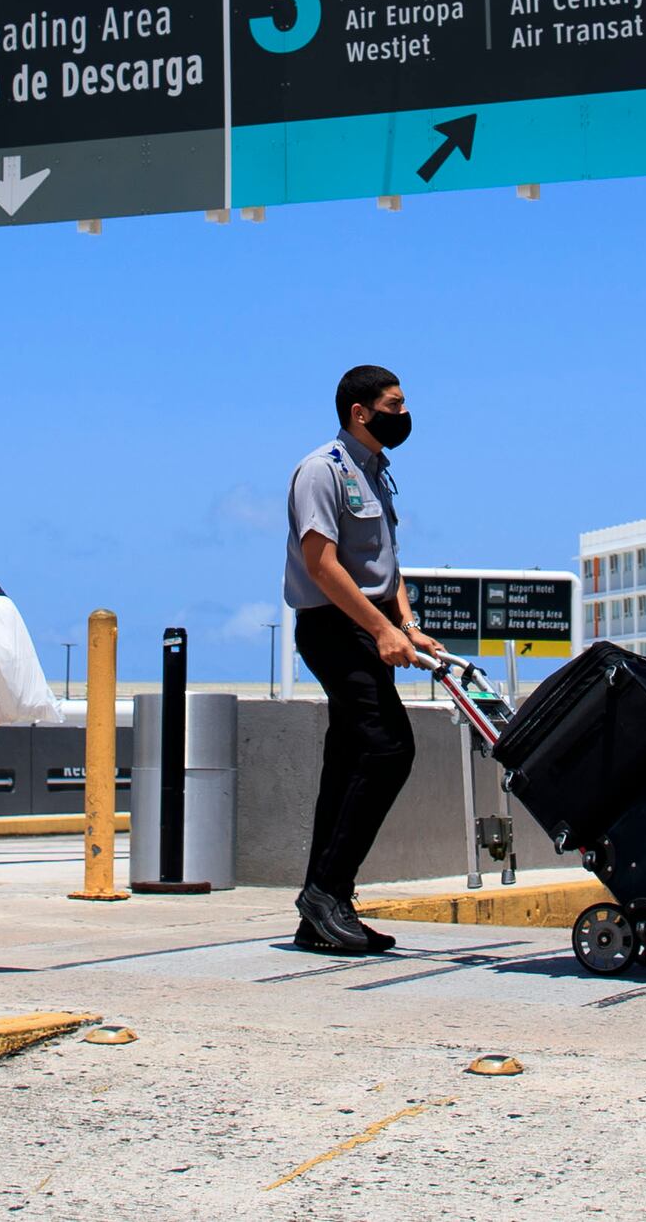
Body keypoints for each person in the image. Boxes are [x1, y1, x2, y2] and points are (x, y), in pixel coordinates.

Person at [284, 365, 444, 955]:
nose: (403, 416)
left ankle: (322, 907)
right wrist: (379, 629)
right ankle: (324, 894)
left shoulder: (377, 472)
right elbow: (322, 564)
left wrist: (407, 625)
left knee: (350, 757)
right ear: (360, 411)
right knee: (387, 747)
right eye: (394, 405)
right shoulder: (320, 471)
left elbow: (387, 562)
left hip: (370, 625)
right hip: (334, 626)